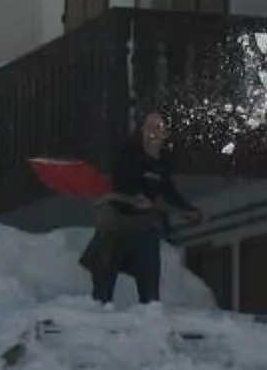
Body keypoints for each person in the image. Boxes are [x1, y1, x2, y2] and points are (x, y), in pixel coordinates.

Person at [81, 106, 199, 305]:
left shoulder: (164, 161)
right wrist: (134, 197)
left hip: (145, 228)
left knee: (150, 292)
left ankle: (150, 323)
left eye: (158, 128)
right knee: (102, 291)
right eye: (149, 127)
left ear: (165, 134)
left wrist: (188, 210)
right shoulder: (129, 154)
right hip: (116, 227)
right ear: (142, 130)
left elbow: (169, 191)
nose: (153, 132)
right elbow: (120, 183)